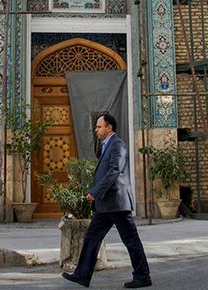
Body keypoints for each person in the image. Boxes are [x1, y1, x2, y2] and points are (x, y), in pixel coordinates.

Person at [62, 114, 151, 288]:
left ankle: (142, 275)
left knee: (131, 240)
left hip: (117, 202)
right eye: (96, 127)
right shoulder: (105, 145)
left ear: (109, 128)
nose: (96, 130)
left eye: (99, 127)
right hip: (106, 205)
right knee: (91, 238)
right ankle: (82, 275)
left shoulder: (117, 144)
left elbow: (114, 171)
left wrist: (95, 192)